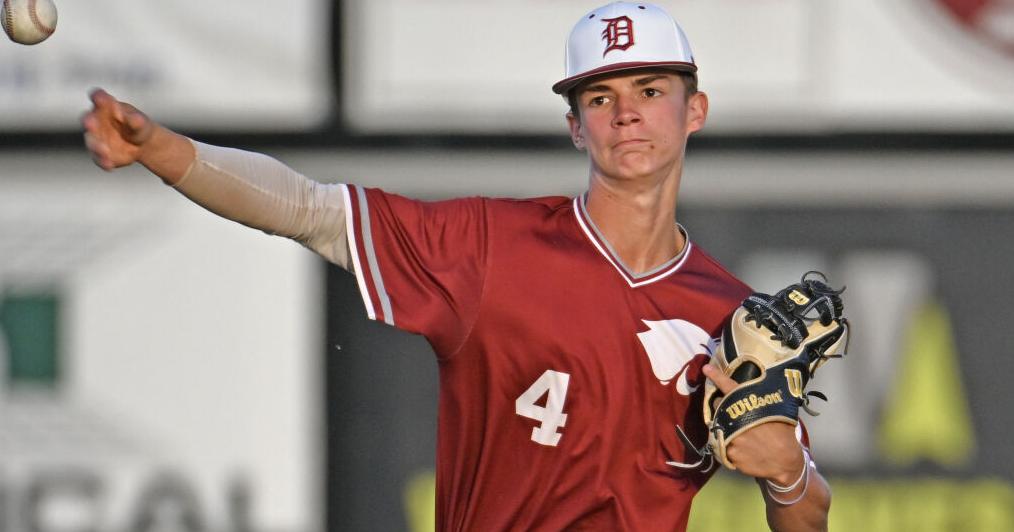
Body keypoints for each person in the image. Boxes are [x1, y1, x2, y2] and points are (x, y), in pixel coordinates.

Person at [82, 2, 831, 530]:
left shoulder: (732, 315)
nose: (626, 113)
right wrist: (162, 151)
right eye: (600, 97)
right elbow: (308, 209)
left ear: (694, 110)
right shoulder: (487, 248)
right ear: (574, 125)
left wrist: (787, 472)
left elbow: (807, 517)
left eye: (650, 90)